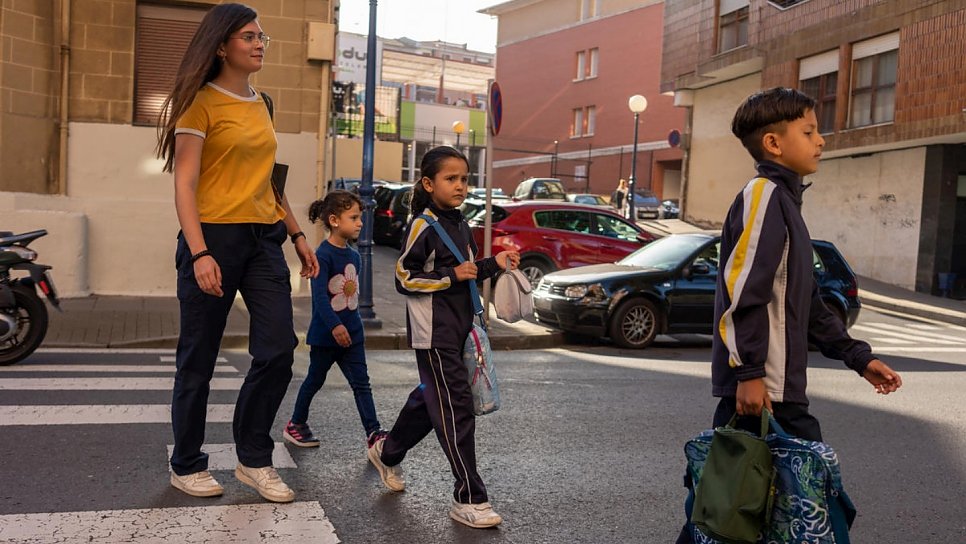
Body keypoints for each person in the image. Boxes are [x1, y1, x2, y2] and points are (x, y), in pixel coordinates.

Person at [676, 87, 903, 542]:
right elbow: (743, 291)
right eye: (809, 131)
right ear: (774, 144)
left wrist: (859, 357)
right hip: (766, 391)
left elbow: (811, 305)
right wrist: (751, 373)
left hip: (776, 388)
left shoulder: (786, 204)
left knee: (735, 514)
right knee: (766, 512)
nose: (821, 140)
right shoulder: (764, 196)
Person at [156, 3, 319, 503]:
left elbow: (269, 180)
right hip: (213, 239)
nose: (259, 43)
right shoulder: (198, 104)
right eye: (248, 36)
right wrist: (201, 252)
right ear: (222, 45)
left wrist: (296, 234)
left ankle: (252, 459)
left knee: (277, 350)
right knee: (198, 360)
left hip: (263, 239)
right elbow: (184, 184)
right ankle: (186, 463)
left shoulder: (262, 103)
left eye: (262, 35)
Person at [366, 146, 520, 529]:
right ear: (428, 183)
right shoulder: (423, 224)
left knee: (430, 399)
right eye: (451, 179)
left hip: (461, 328)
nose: (460, 186)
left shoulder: (459, 222)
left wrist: (493, 264)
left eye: (465, 178)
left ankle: (386, 451)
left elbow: (463, 271)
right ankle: (469, 496)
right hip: (433, 332)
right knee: (456, 408)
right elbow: (404, 278)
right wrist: (452, 276)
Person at [282, 190, 388, 452]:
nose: (360, 223)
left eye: (359, 217)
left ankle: (373, 432)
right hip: (326, 335)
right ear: (334, 220)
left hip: (352, 333)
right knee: (314, 380)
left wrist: (349, 326)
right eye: (353, 217)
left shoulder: (354, 256)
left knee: (361, 383)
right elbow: (319, 298)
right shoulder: (323, 255)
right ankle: (296, 424)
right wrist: (335, 326)